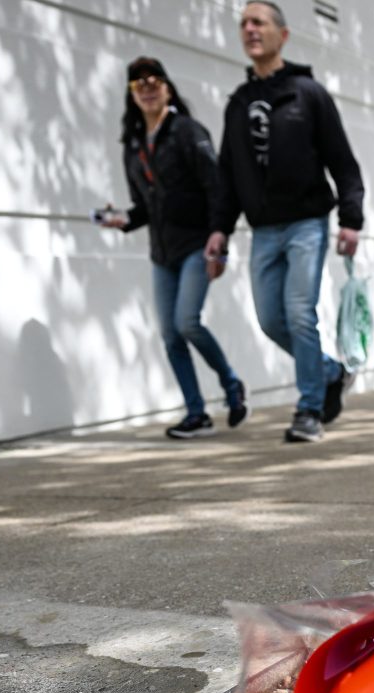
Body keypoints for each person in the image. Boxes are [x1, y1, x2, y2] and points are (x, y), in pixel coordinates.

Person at [203, 0, 364, 444]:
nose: (250, 29)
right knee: (271, 320)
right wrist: (219, 228)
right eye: (244, 24)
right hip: (263, 229)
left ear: (283, 35)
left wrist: (350, 218)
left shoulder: (307, 93)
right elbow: (227, 174)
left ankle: (309, 409)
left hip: (307, 223)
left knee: (298, 313)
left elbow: (342, 162)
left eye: (259, 22)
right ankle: (331, 372)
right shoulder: (238, 103)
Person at [102, 56, 248, 440]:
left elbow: (216, 186)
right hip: (161, 253)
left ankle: (231, 384)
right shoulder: (132, 145)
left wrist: (220, 237)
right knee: (170, 334)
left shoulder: (186, 131)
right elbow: (143, 206)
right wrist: (123, 219)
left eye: (154, 81)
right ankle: (196, 413)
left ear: (167, 87)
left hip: (198, 244)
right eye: (138, 84)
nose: (147, 88)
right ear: (132, 95)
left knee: (187, 322)